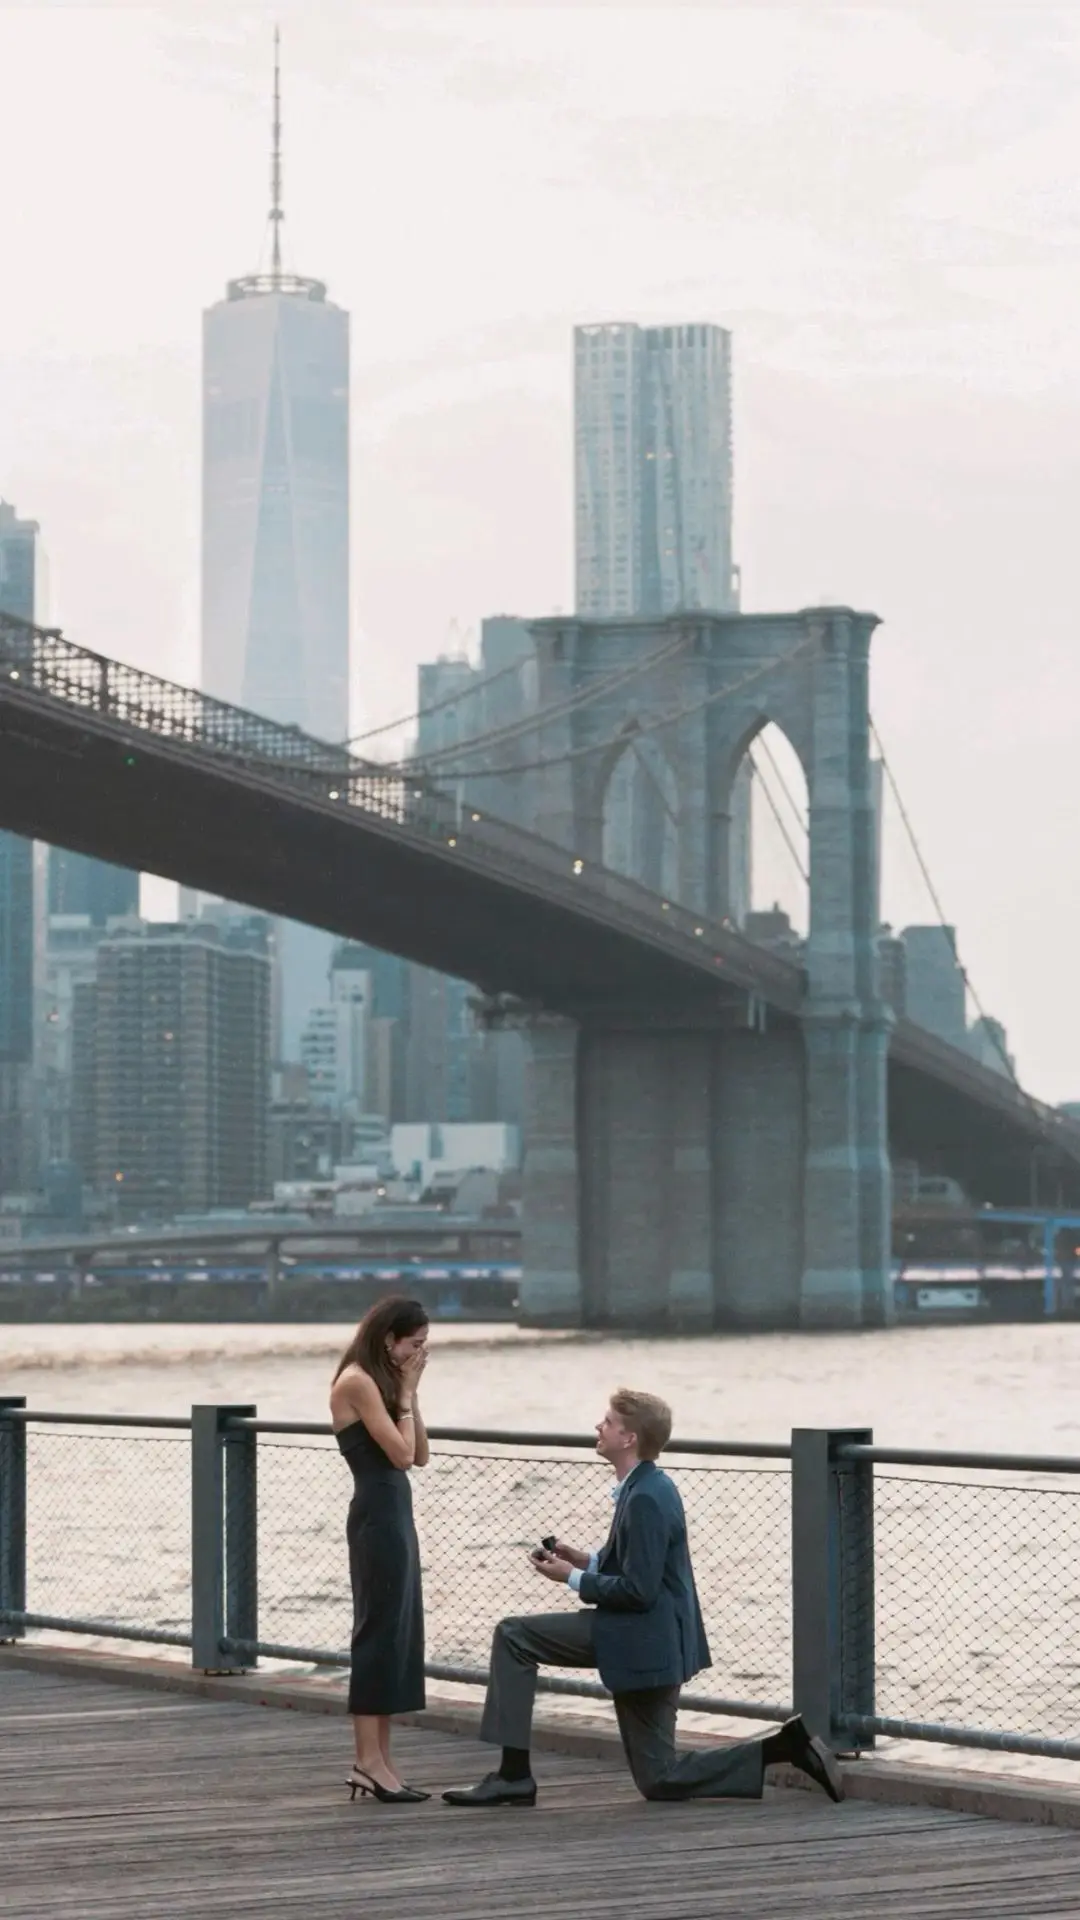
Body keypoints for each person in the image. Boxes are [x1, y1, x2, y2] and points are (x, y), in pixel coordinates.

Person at [443, 1387, 844, 1808]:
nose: (599, 1427)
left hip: (642, 1639)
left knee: (513, 1636)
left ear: (629, 1438)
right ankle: (784, 1747)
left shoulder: (646, 1498)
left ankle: (513, 1776)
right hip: (652, 1637)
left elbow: (639, 1590)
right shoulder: (647, 1486)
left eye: (608, 1422)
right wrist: (587, 1559)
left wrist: (572, 1577)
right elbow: (642, 1568)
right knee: (659, 1779)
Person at [330, 1296, 431, 1805]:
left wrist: (411, 1393)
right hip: (376, 1517)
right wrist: (405, 1394)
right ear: (389, 1338)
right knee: (376, 1634)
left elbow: (422, 1453)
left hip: (396, 1516)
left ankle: (383, 1762)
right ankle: (367, 1762)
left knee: (396, 1636)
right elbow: (401, 1455)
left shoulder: (382, 1384)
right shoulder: (356, 1382)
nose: (419, 1353)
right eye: (414, 1344)